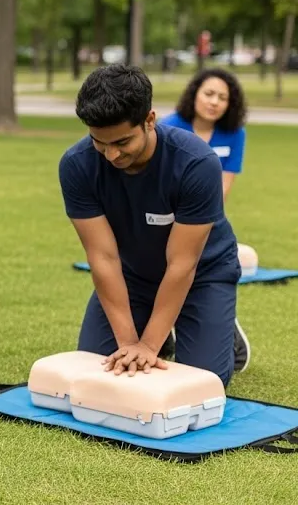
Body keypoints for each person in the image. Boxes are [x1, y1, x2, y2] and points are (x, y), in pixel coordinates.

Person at [59, 63, 250, 388]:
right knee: (95, 367)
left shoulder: (197, 163)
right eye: (99, 142)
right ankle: (161, 329)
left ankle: (217, 325)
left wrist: (147, 346)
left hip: (203, 274)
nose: (111, 155)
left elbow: (182, 264)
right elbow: (103, 258)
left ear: (149, 120)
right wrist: (128, 343)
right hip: (133, 275)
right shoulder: (76, 165)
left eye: (122, 142)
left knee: (204, 382)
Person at [159, 68, 248, 202]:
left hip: (210, 208)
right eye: (208, 94)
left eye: (222, 98)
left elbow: (224, 186)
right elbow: (159, 178)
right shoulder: (167, 127)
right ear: (194, 94)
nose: (214, 102)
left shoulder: (236, 133)